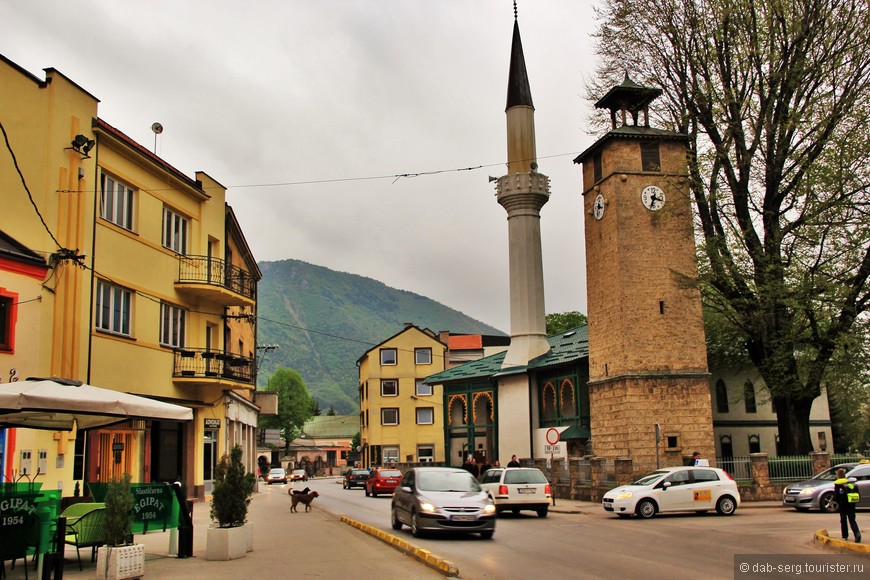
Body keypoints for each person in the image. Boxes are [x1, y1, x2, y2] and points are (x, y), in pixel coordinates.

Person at [834, 468, 861, 542]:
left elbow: (836, 495)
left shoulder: (837, 484)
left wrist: (839, 503)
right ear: (844, 475)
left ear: (838, 476)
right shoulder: (849, 482)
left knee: (843, 520)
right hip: (851, 504)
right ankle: (857, 534)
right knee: (852, 520)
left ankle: (845, 535)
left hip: (843, 505)